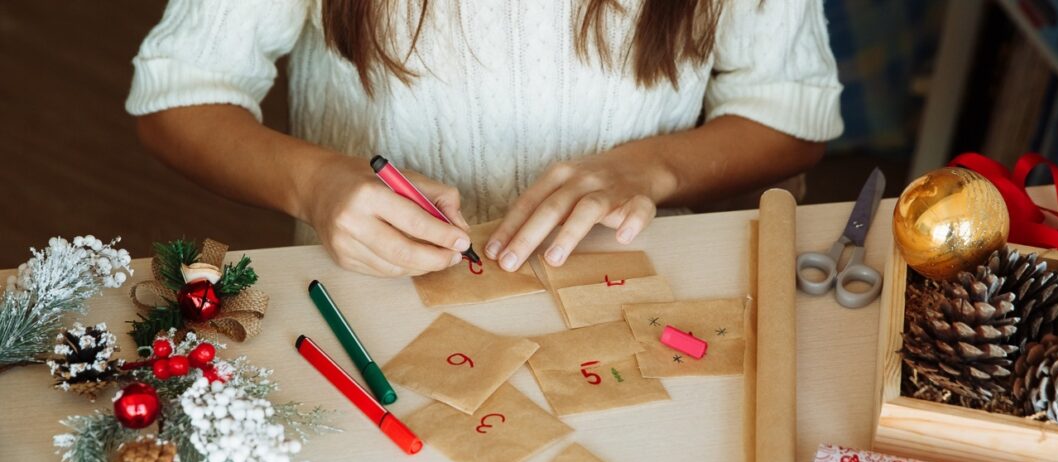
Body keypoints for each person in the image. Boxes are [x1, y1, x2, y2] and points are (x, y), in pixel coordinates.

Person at [128, 0, 842, 276]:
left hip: (631, 291)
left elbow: (790, 116)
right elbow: (177, 98)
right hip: (375, 294)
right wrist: (314, 182)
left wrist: (655, 168)